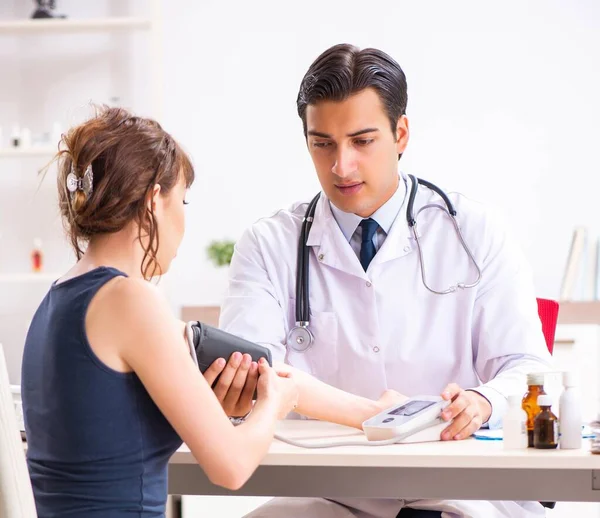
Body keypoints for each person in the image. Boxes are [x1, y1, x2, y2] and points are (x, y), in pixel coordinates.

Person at [218, 44, 553, 517]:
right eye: (323, 143)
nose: (341, 166)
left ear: (401, 133)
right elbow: (256, 376)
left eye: (362, 141)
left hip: (456, 488)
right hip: (329, 492)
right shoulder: (269, 245)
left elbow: (527, 367)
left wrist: (484, 398)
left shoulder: (473, 231)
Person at [20, 106, 300, 518]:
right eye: (182, 200)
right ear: (154, 201)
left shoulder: (56, 299)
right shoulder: (130, 299)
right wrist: (272, 406)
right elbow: (232, 465)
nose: (185, 218)